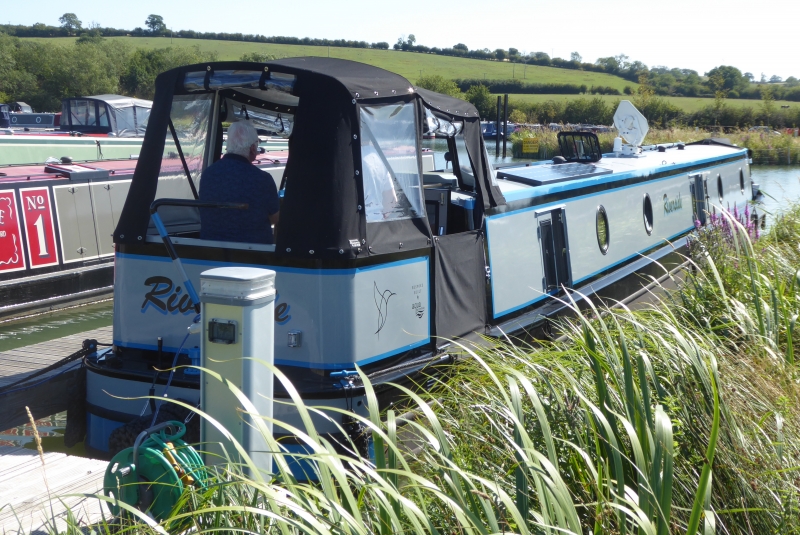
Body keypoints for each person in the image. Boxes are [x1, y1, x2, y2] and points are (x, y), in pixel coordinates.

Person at [199, 121, 280, 244]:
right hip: (253, 253)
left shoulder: (208, 173)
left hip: (210, 249)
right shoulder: (262, 178)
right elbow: (275, 218)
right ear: (253, 148)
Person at [361, 141, 398, 222]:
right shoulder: (378, 156)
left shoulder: (345, 157)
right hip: (378, 227)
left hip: (354, 227)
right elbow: (391, 200)